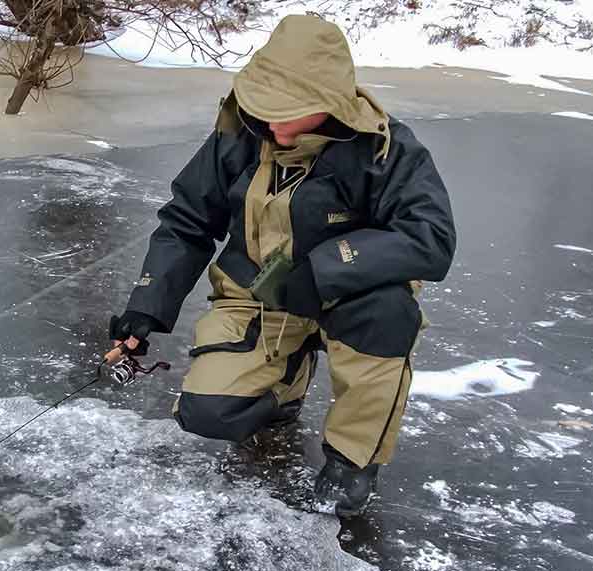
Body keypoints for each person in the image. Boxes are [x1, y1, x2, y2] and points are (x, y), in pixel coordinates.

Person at [109, 14, 456, 518]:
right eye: (264, 107)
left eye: (287, 112)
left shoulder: (388, 149)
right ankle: (287, 379)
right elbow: (187, 221)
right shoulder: (240, 136)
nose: (272, 124)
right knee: (207, 412)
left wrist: (327, 269)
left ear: (328, 103)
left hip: (350, 297)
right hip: (260, 295)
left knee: (389, 315)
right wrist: (147, 307)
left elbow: (432, 238)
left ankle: (353, 461)